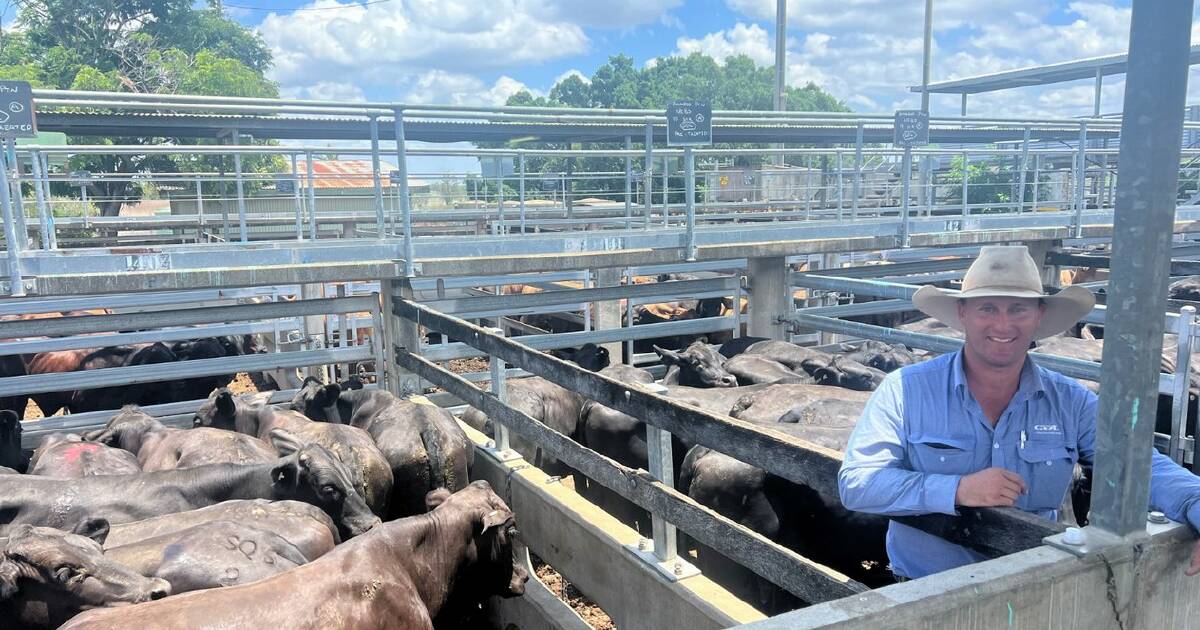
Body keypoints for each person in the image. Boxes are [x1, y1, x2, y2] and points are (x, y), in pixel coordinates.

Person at [838, 245, 1200, 580]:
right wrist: (957, 488)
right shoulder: (904, 389)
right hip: (923, 594)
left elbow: (1136, 464)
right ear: (963, 313)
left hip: (1030, 590)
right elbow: (857, 485)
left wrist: (1195, 503)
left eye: (1018, 309)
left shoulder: (1070, 401)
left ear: (1039, 316)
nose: (1002, 325)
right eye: (987, 308)